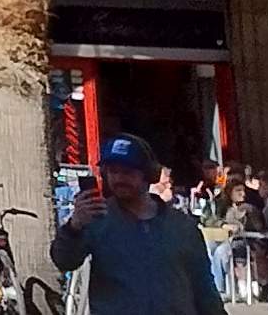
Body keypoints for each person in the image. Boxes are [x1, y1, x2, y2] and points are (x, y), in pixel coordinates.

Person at [55, 134, 224, 315]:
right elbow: (64, 260)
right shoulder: (97, 220)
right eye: (113, 171)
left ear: (149, 175)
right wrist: (74, 227)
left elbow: (204, 288)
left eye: (127, 172)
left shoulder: (182, 226)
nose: (119, 178)